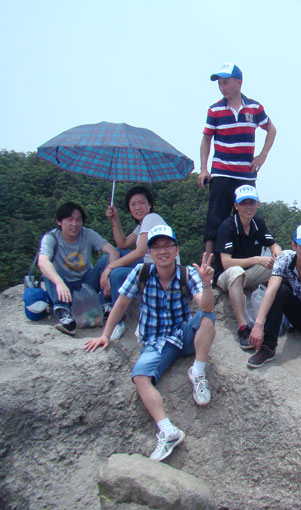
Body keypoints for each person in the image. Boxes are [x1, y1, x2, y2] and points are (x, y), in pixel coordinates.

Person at [84, 225, 216, 462]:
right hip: (154, 341)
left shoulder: (187, 273)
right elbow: (121, 304)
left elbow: (206, 306)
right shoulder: (141, 272)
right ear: (149, 252)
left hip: (182, 334)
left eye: (167, 245)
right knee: (140, 377)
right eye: (156, 247)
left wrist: (206, 285)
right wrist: (105, 335)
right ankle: (167, 430)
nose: (162, 251)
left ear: (176, 250)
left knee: (207, 316)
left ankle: (197, 371)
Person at [198, 62, 277, 258]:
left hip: (245, 173)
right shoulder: (215, 109)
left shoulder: (254, 108)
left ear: (239, 82)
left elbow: (271, 129)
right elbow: (206, 139)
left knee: (246, 218)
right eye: (220, 83)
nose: (222, 87)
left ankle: (243, 260)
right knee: (215, 218)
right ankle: (210, 263)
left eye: (225, 82)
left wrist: (263, 155)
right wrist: (203, 168)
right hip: (222, 171)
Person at [247, 224, 301, 373]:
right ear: (294, 246)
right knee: (281, 289)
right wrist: (258, 325)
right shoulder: (285, 258)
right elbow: (271, 290)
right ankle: (268, 347)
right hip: (297, 315)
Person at [101, 186, 174, 340]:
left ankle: (118, 322)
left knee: (117, 273)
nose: (137, 207)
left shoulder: (151, 218)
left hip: (160, 272)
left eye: (141, 203)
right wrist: (114, 219)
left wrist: (110, 267)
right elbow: (122, 244)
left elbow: (139, 252)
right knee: (117, 253)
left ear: (149, 204)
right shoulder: (142, 225)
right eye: (133, 204)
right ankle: (106, 300)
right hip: (150, 267)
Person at [215, 185, 281, 348]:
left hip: (249, 274)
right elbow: (226, 263)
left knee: (284, 261)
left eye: (251, 202)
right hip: (227, 276)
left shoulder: (258, 222)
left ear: (257, 204)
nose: (248, 207)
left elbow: (272, 244)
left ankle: (281, 317)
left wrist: (277, 251)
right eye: (243, 203)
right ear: (236, 206)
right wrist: (256, 260)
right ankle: (243, 327)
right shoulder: (227, 226)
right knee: (237, 272)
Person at [38, 202, 119, 335]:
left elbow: (113, 252)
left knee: (106, 259)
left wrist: (108, 273)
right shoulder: (51, 237)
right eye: (69, 219)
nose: (74, 224)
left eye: (78, 220)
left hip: (85, 282)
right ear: (59, 221)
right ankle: (65, 316)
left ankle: (105, 305)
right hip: (64, 285)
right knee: (48, 271)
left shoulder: (87, 234)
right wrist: (59, 282)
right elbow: (42, 261)